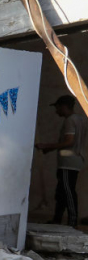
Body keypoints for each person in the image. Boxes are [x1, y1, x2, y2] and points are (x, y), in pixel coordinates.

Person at [36, 95, 88, 227]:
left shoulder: (70, 120)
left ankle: (72, 221)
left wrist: (46, 146)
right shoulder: (81, 119)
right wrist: (50, 149)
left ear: (63, 106)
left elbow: (69, 141)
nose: (56, 111)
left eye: (57, 107)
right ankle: (57, 219)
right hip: (75, 160)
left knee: (68, 191)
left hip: (69, 162)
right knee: (61, 192)